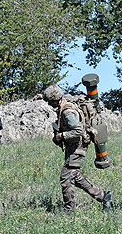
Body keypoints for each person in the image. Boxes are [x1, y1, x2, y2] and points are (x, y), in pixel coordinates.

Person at [44, 84, 111, 214]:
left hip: (78, 147)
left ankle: (69, 210)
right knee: (74, 176)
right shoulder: (64, 107)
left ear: (55, 99)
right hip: (74, 146)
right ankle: (103, 196)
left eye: (50, 102)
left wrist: (61, 136)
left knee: (65, 177)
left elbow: (78, 130)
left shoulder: (67, 112)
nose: (49, 105)